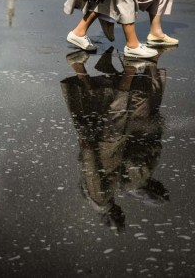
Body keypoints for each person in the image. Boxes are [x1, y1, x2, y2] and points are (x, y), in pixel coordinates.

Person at [61, 47, 171, 232]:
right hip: (105, 148)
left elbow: (91, 174)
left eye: (120, 215)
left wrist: (88, 150)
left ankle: (129, 69)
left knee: (117, 109)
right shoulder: (100, 200)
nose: (121, 211)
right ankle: (79, 66)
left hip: (107, 148)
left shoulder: (101, 200)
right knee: (97, 105)